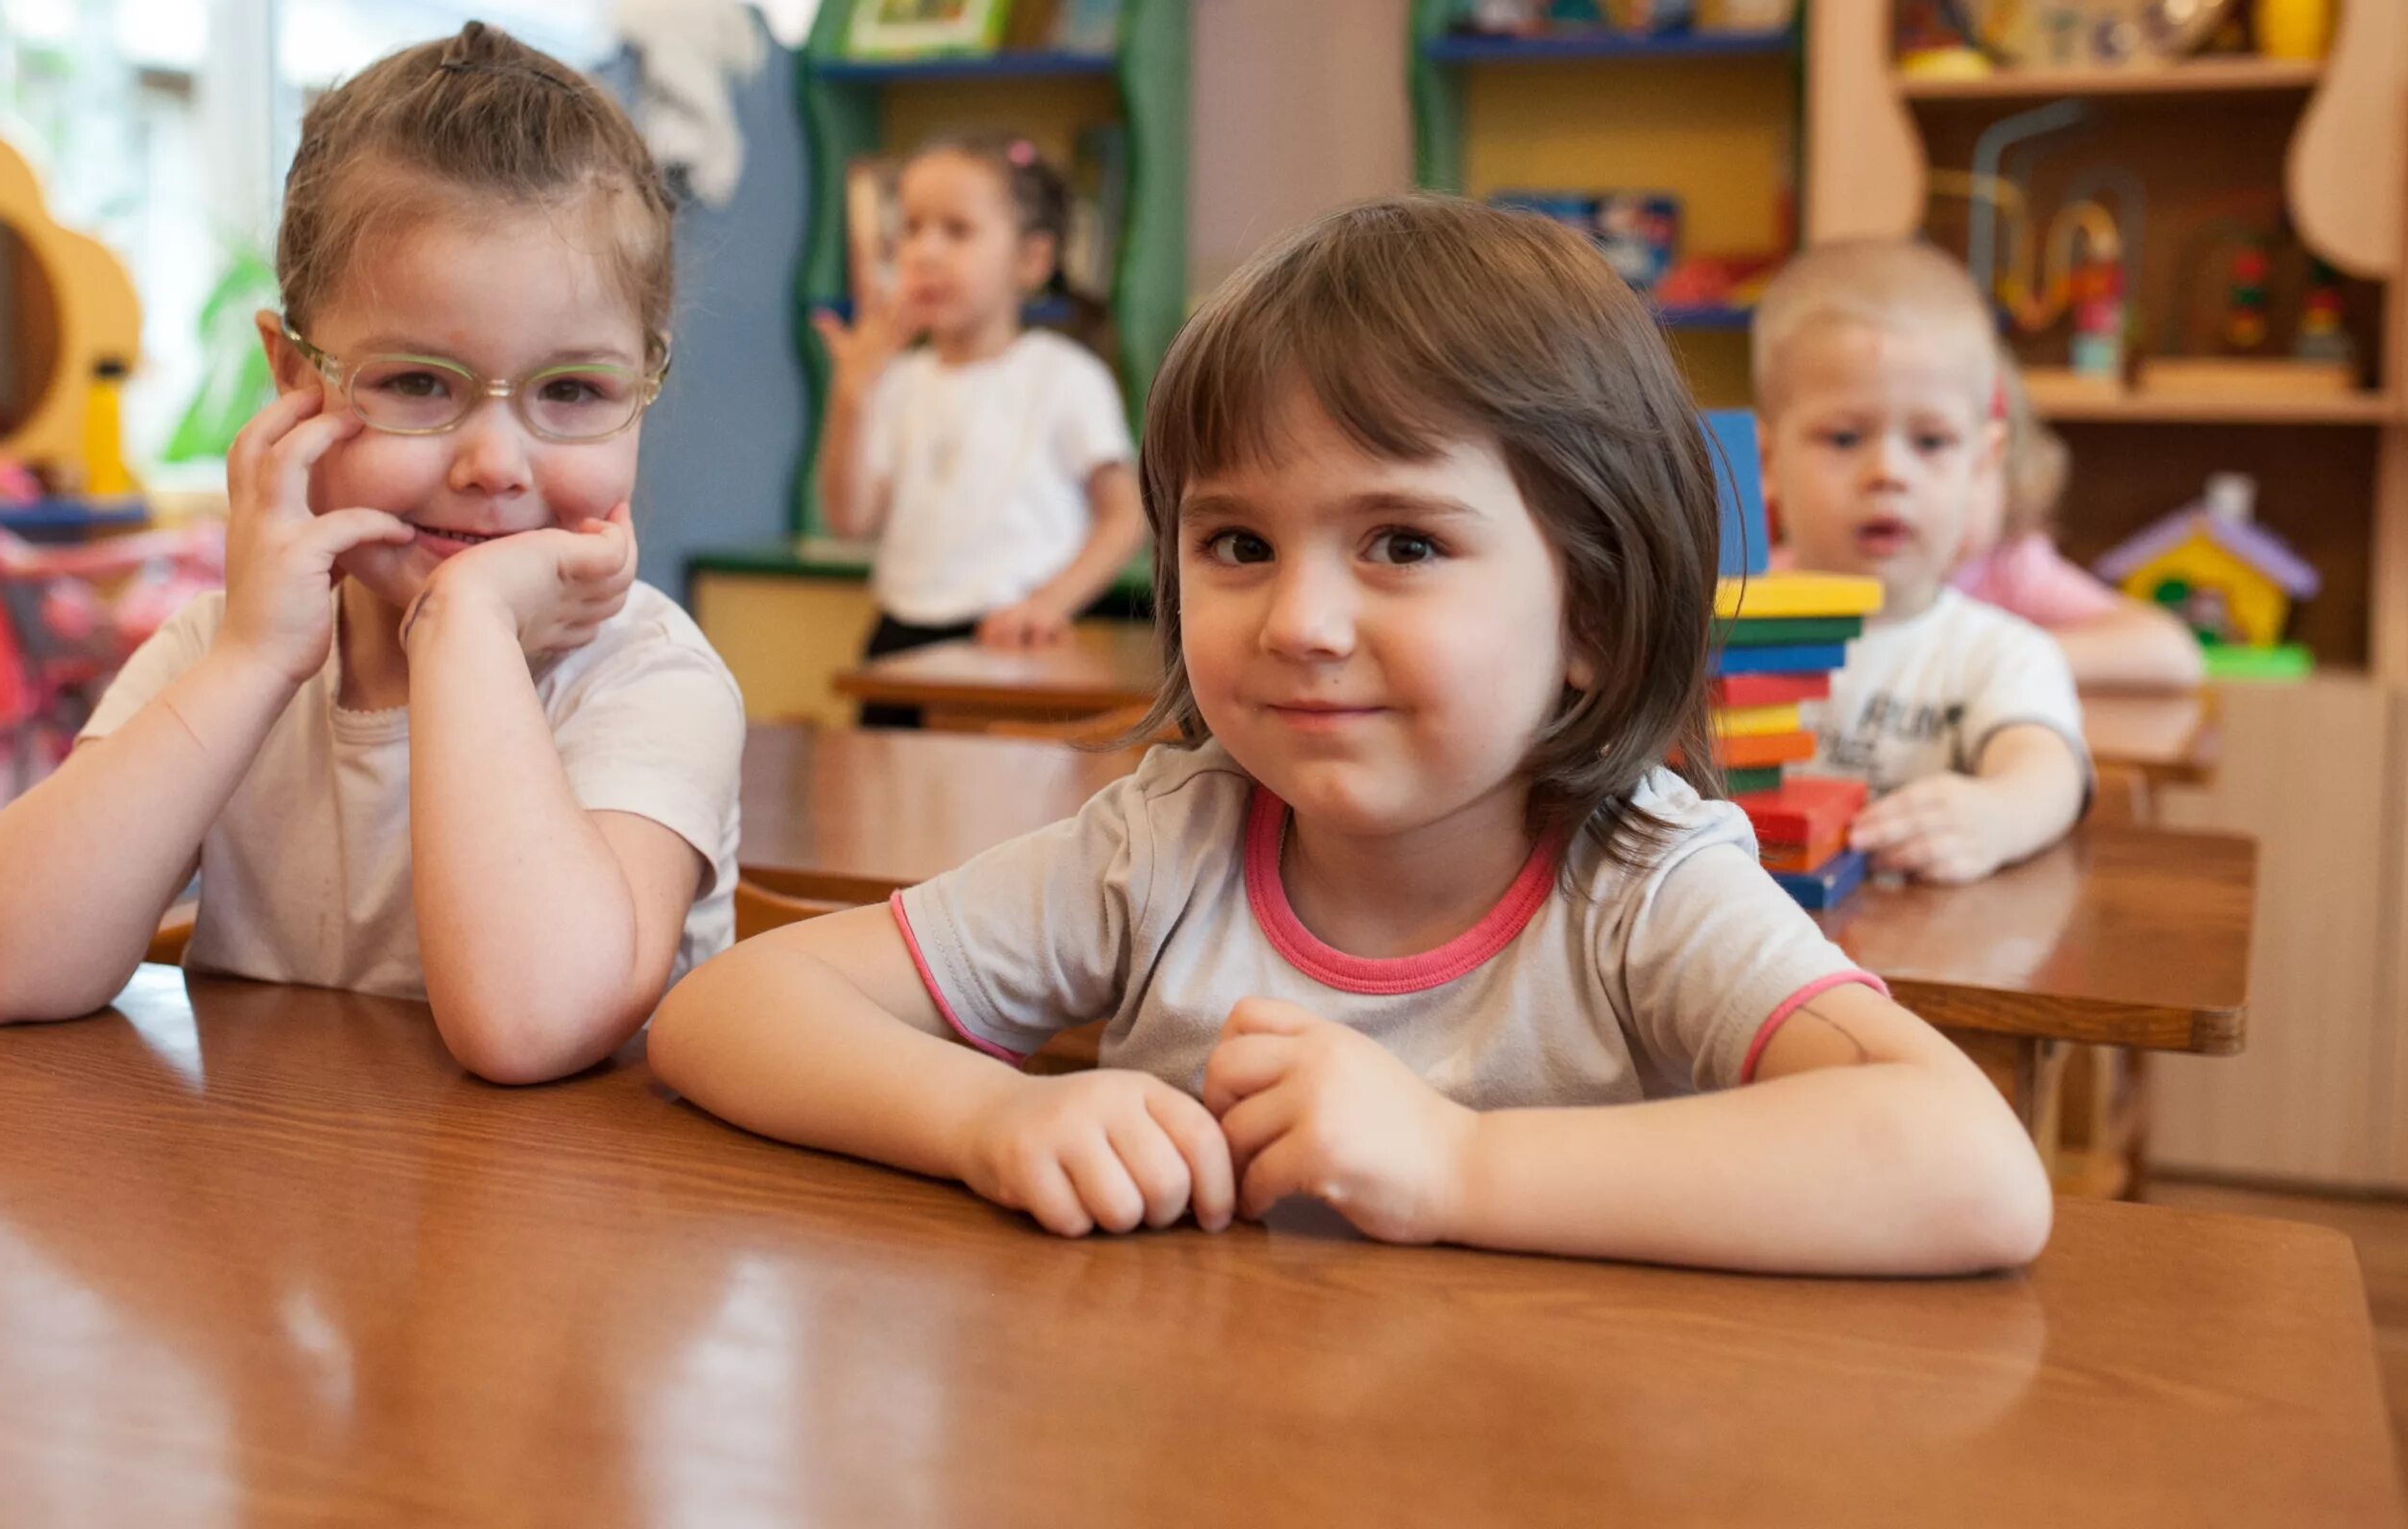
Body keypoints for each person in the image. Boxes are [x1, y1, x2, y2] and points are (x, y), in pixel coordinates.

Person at [653, 196, 2048, 1275]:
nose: (1301, 622)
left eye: (1401, 543)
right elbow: (727, 1010)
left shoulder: (1642, 887)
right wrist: (988, 1119)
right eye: (1239, 542)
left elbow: (1972, 1171)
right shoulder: (1162, 847)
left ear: (1597, 616)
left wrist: (1457, 1169)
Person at [0, 22, 744, 1084]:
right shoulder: (236, 650)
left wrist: (465, 629)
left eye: (573, 391)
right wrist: (249, 663)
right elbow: (5, 964)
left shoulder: (652, 678)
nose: (497, 461)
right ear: (291, 376)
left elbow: (530, 1024)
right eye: (417, 383)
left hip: (565, 1230)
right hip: (305, 1208)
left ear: (642, 383)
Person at [1751, 241, 2092, 884]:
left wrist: (1997, 815)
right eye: (1845, 437)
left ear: (1982, 464)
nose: (1888, 473)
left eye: (1931, 442)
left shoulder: (2001, 654)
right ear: (1768, 460)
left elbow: (2050, 769)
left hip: (1920, 962)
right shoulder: (1719, 621)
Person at [812, 137, 1146, 724]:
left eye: (957, 231)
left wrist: (1047, 605)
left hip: (1011, 645)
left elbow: (1125, 514)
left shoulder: (1066, 376)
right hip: (898, 637)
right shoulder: (898, 380)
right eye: (911, 229)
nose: (926, 252)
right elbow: (851, 518)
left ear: (1031, 261)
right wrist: (851, 398)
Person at [1954, 356, 2205, 690]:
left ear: (2009, 476)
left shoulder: (2010, 568)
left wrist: (2001, 659)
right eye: (1857, 439)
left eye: (1932, 444)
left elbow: (2174, 653)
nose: (1893, 476)